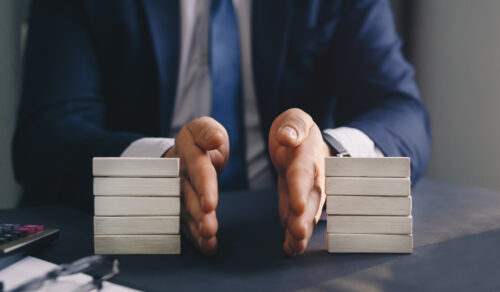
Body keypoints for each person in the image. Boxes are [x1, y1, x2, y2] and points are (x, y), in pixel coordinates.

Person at [13, 0, 431, 257]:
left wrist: (329, 155)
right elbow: (46, 133)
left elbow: (400, 110)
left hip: (290, 242)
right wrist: (158, 168)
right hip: (130, 245)